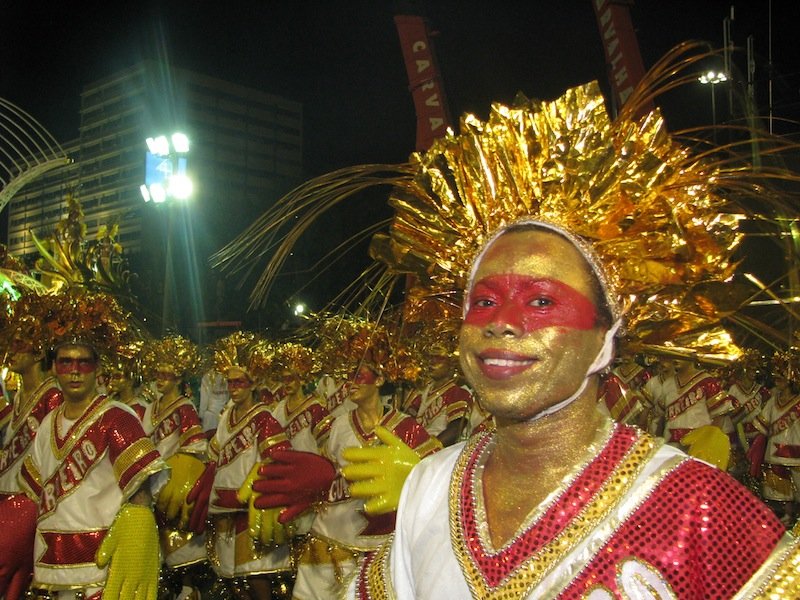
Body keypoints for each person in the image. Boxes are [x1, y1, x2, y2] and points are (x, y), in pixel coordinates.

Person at [17, 291, 167, 600]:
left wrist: (140, 522)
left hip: (99, 571)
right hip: (50, 570)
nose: (74, 370)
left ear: (98, 367)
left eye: (84, 362)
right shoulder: (47, 424)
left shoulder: (116, 417)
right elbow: (33, 493)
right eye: (65, 362)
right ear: (53, 367)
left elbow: (140, 484)